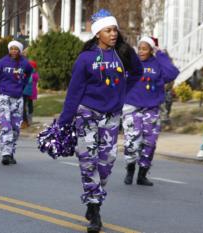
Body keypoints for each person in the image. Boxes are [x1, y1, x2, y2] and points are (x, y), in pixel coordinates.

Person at [57, 9, 142, 233]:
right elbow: (74, 93)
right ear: (98, 34)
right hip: (86, 114)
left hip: (111, 116)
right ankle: (94, 209)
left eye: (115, 29)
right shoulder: (85, 59)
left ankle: (94, 197)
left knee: (107, 162)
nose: (113, 34)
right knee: (88, 161)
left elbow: (137, 72)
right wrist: (64, 122)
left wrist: (123, 94)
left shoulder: (124, 53)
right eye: (108, 30)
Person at [122, 36, 180, 186]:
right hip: (132, 108)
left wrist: (160, 54)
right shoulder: (132, 62)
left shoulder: (157, 64)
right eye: (139, 48)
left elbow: (172, 73)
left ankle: (142, 175)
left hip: (151, 109)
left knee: (150, 143)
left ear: (151, 50)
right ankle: (130, 170)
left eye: (145, 49)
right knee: (132, 142)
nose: (141, 51)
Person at [0, 40, 33, 165]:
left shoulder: (25, 64)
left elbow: (28, 75)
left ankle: (10, 152)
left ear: (20, 50)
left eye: (16, 49)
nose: (14, 51)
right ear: (9, 50)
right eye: (12, 49)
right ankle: (5, 154)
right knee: (6, 124)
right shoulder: (2, 63)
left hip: (17, 98)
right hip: (4, 96)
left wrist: (21, 86)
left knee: (15, 128)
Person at [22, 60, 39, 127]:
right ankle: (28, 120)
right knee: (28, 105)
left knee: (26, 106)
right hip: (29, 92)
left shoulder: (31, 74)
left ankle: (26, 120)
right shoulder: (34, 74)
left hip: (27, 91)